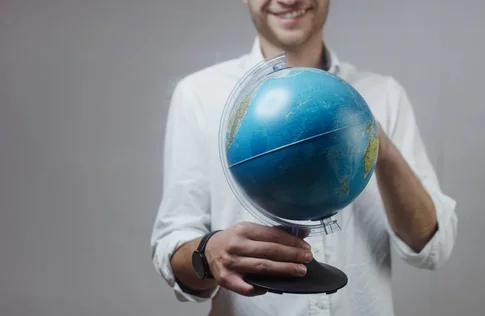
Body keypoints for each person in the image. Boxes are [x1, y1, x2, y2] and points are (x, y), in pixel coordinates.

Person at [150, 0, 458, 315]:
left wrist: (382, 148)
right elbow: (172, 247)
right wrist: (207, 253)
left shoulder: (383, 95)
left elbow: (433, 247)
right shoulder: (200, 95)